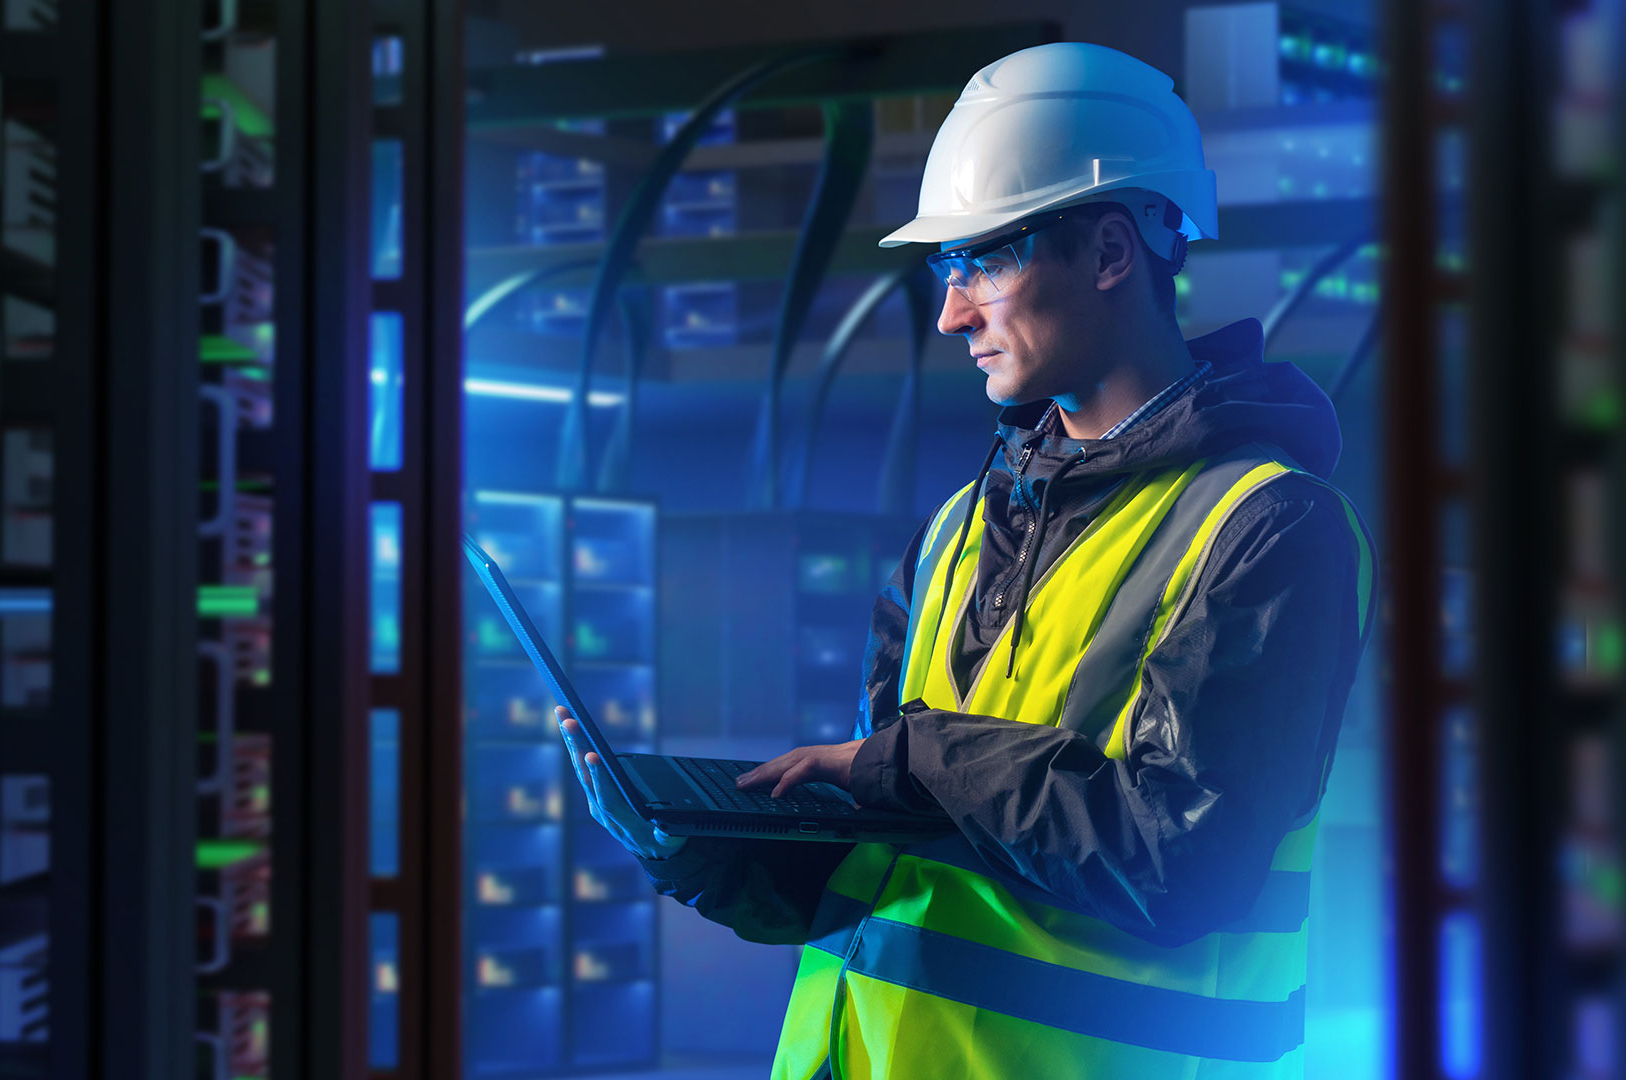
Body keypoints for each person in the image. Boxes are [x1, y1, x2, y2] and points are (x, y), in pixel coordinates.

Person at [556, 40, 1376, 1079]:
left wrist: (924, 753)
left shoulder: (1270, 527)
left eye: (982, 258)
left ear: (1111, 251)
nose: (951, 311)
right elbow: (887, 859)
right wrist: (695, 846)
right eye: (947, 268)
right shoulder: (956, 530)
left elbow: (1181, 862)